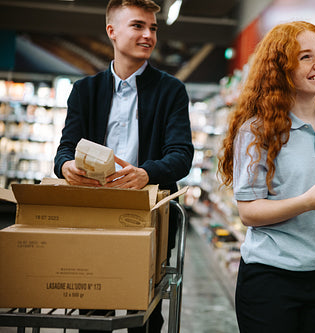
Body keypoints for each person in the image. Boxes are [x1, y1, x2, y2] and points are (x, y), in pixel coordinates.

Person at [53, 0, 193, 332]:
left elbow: (181, 156)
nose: (148, 35)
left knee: (143, 317)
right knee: (91, 312)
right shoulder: (84, 91)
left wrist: (147, 173)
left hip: (148, 219)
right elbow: (63, 151)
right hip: (93, 216)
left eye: (153, 28)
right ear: (111, 31)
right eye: (138, 26)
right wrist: (66, 166)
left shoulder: (170, 91)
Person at [218, 21, 315, 333]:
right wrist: (308, 202)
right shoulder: (257, 131)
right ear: (281, 69)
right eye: (305, 57)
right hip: (272, 276)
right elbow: (249, 212)